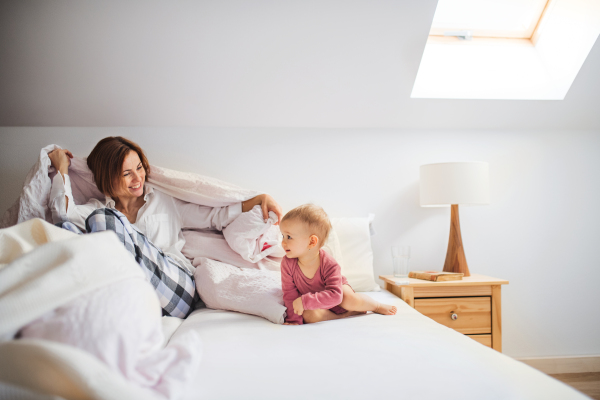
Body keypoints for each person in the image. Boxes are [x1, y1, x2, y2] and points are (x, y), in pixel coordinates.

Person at [48, 136, 282, 318]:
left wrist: (256, 200)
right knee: (81, 228)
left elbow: (214, 215)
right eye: (126, 174)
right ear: (107, 178)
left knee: (103, 222)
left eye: (139, 168)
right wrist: (62, 169)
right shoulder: (98, 210)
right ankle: (109, 304)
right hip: (130, 293)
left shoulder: (164, 201)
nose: (137, 178)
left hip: (175, 289)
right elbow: (63, 215)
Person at [279, 204, 396, 325]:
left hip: (338, 296)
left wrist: (305, 300)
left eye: (289, 237)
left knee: (349, 300)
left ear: (312, 241)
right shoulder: (287, 264)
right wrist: (294, 320)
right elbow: (289, 295)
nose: (283, 242)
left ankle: (376, 306)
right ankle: (346, 316)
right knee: (308, 315)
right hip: (317, 304)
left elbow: (336, 296)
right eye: (283, 236)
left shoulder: (329, 263)